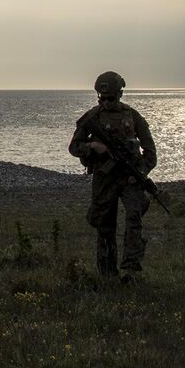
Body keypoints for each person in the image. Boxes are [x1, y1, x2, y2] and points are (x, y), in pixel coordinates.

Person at [68, 71, 158, 280]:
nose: (107, 102)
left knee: (134, 217)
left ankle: (131, 269)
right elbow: (74, 147)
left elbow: (150, 153)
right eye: (102, 98)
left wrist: (140, 173)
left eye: (111, 98)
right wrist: (93, 146)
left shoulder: (133, 116)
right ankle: (107, 272)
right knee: (104, 223)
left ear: (120, 94)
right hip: (104, 177)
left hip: (129, 178)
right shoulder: (92, 117)